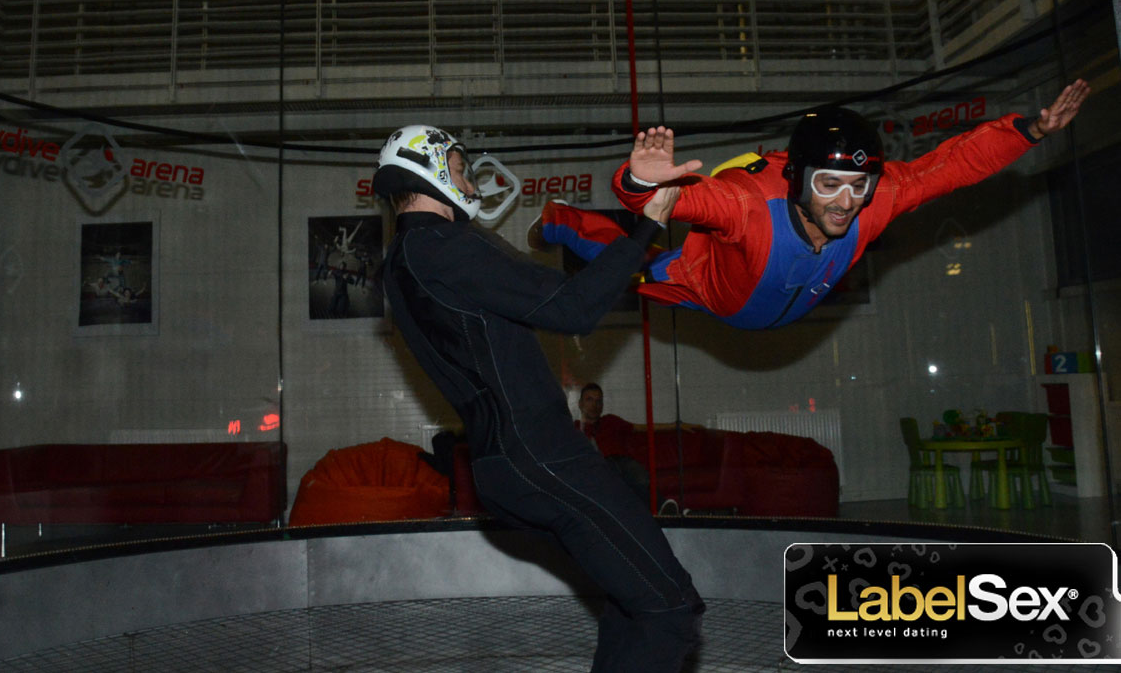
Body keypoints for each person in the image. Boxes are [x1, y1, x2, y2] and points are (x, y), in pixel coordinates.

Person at [373, 124, 704, 672]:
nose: (472, 184)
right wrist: (649, 222)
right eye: (458, 168)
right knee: (671, 608)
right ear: (427, 170)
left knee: (634, 602)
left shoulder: (405, 258)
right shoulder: (437, 245)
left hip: (510, 463)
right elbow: (572, 308)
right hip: (540, 454)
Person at [535, 80, 1091, 329]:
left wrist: (1029, 131)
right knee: (626, 270)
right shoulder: (749, 208)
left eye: (858, 184)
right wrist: (638, 180)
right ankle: (563, 219)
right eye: (828, 185)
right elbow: (670, 202)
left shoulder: (878, 197)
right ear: (799, 180)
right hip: (708, 283)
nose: (846, 203)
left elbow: (949, 168)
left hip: (762, 295)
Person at [575, 382, 653, 509]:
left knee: (641, 478)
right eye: (589, 400)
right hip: (601, 465)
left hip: (623, 461)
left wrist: (677, 425)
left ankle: (662, 508)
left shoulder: (610, 421)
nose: (595, 405)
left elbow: (643, 428)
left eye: (599, 401)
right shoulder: (575, 428)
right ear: (580, 404)